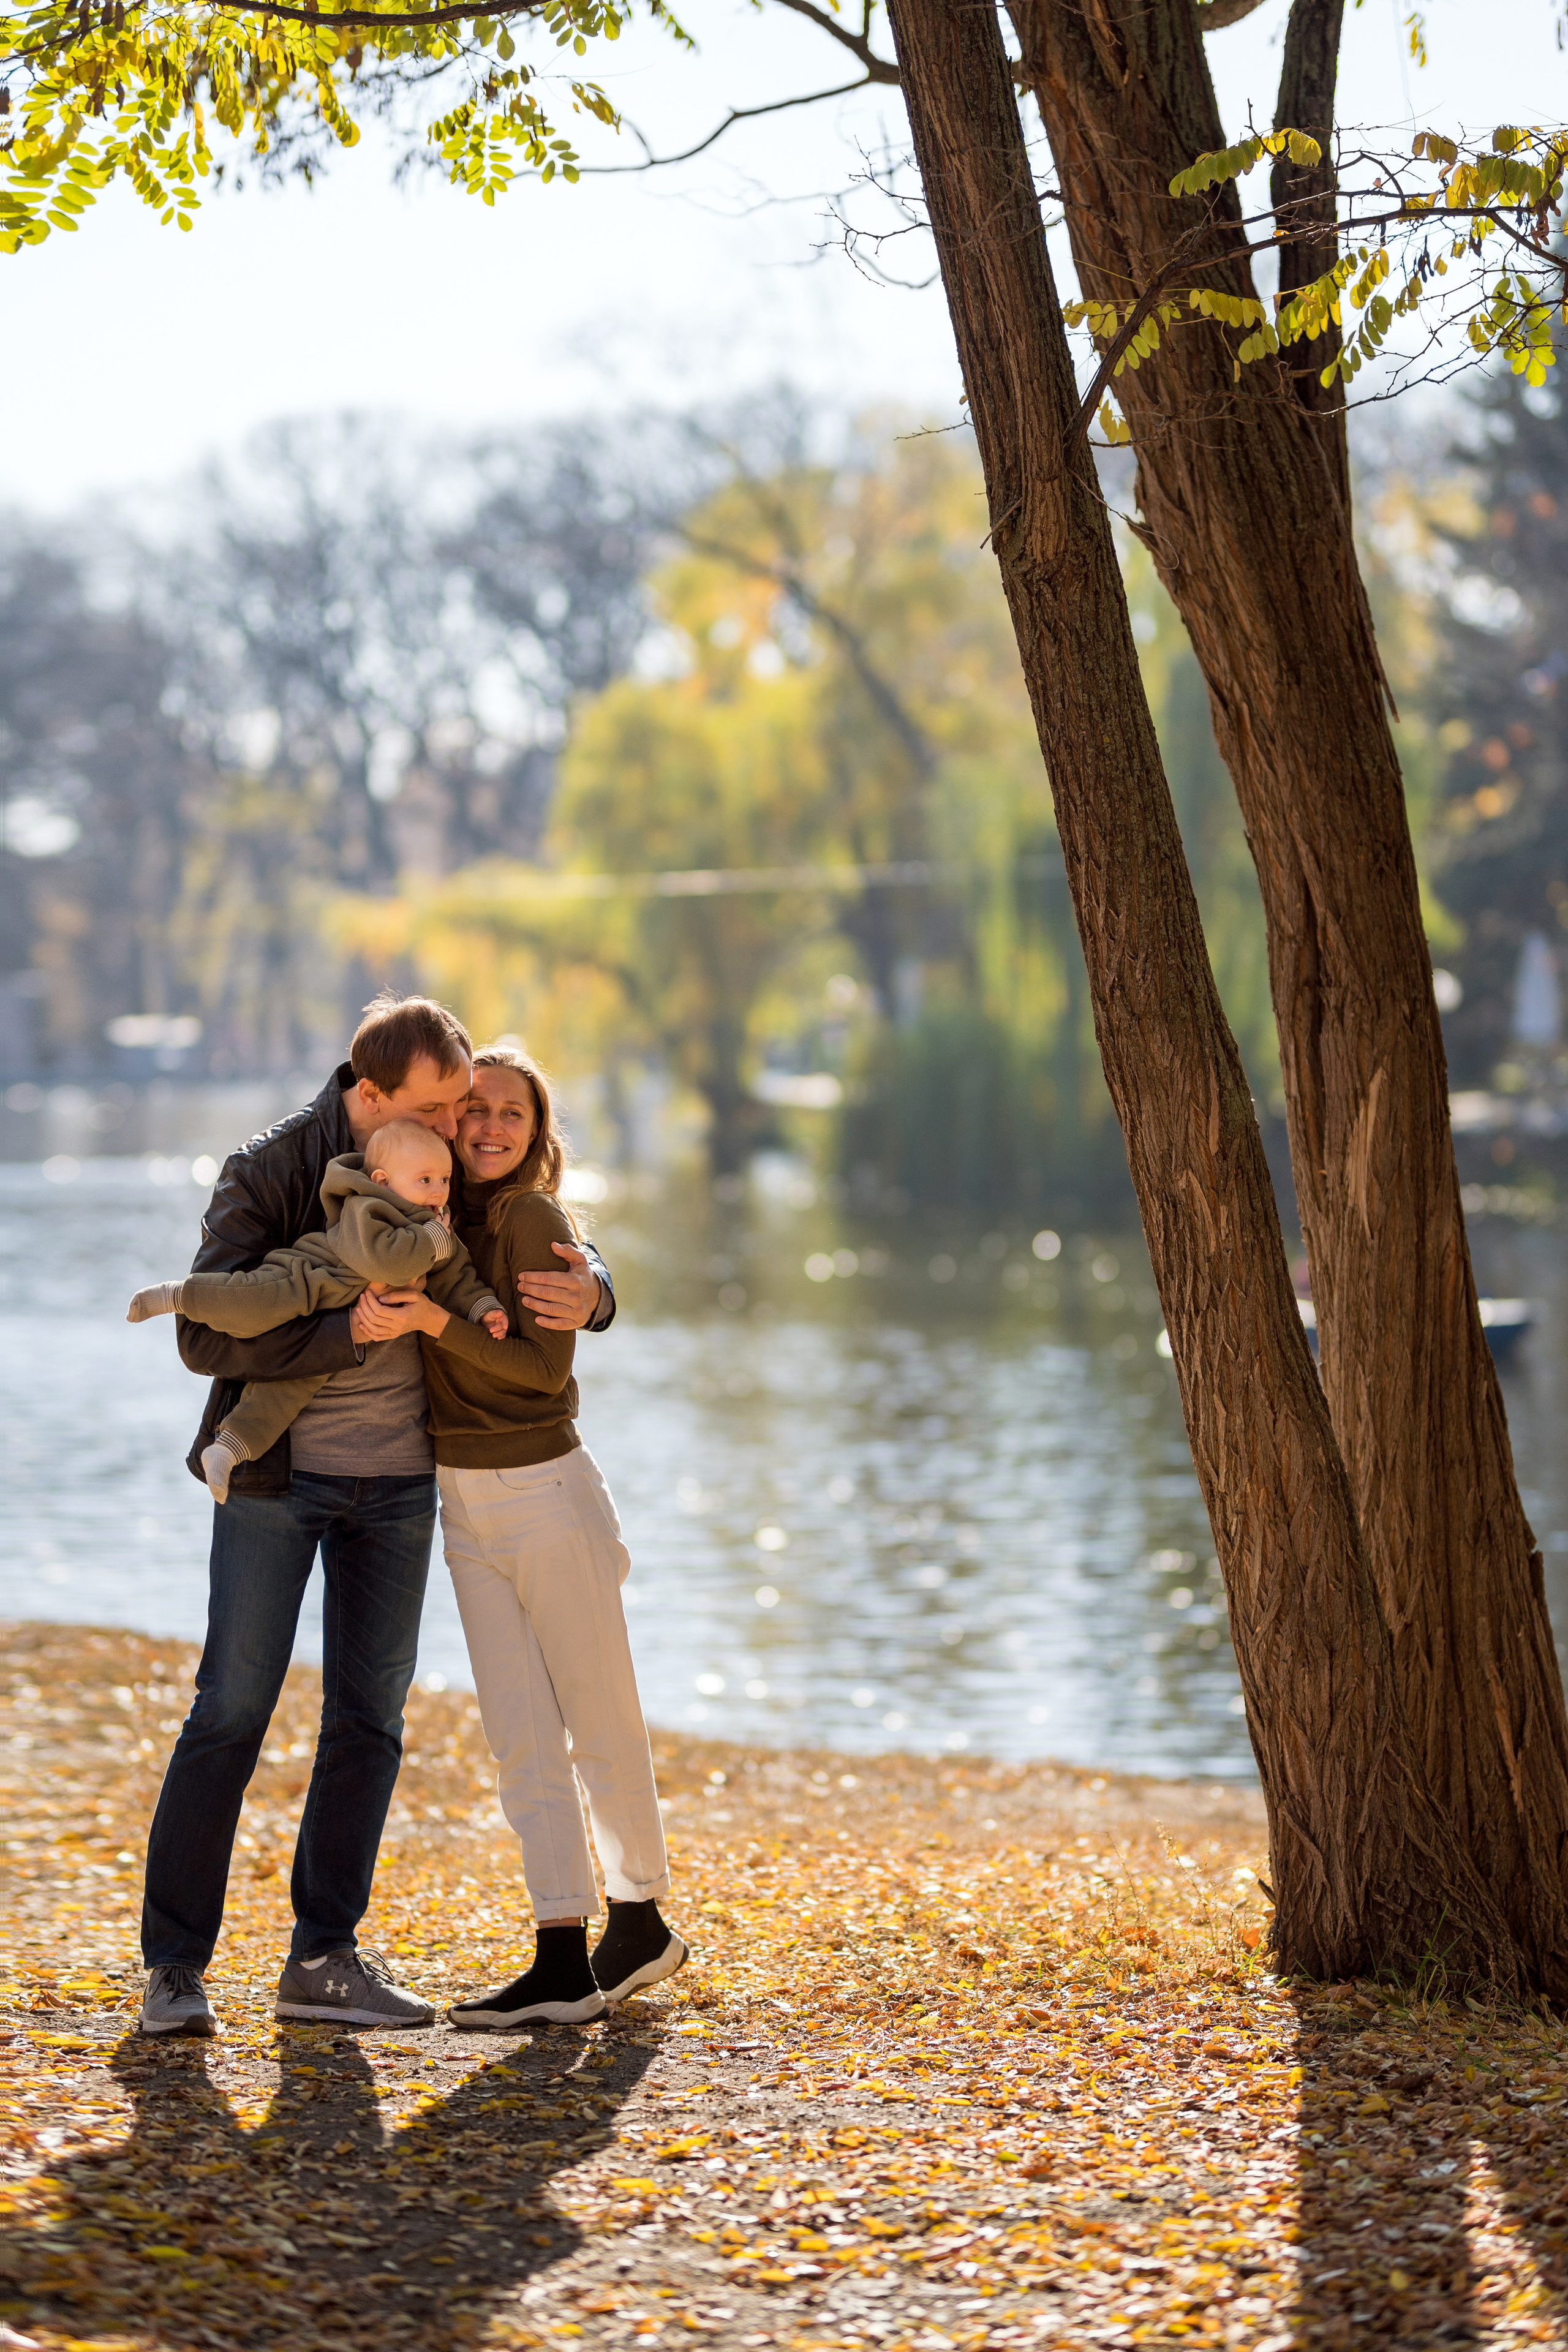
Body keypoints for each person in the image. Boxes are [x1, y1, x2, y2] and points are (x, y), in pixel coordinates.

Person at [137, 993, 616, 2040]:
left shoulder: (443, 1173)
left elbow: (533, 1223)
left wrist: (602, 1289)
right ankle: (174, 1968)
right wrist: (342, 1329)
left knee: (369, 1721)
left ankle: (323, 1959)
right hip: (278, 1479)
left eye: (461, 1108)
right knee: (231, 1709)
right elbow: (207, 1339)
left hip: (400, 1485)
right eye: (440, 1104)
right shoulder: (268, 1169)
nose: (458, 1124)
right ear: (368, 1096)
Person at [389, 1043, 685, 2027]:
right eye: (475, 1108)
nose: (489, 1127)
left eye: (512, 1113)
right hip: (466, 1502)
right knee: (521, 1737)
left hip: (547, 1491)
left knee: (598, 1718)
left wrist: (434, 1321)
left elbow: (542, 1376)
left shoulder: (532, 1216)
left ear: (537, 1132)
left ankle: (639, 1917)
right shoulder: (439, 1218)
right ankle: (561, 1951)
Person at [127, 1122, 508, 1504]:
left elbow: (458, 1278)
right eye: (425, 1179)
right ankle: (178, 1295)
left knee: (286, 1391)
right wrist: (431, 1242)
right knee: (250, 1305)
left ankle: (227, 1449)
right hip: (306, 1280)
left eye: (444, 1179)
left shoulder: (435, 1229)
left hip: (333, 1323)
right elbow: (382, 1261)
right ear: (383, 1181)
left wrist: (483, 1308)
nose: (438, 1191)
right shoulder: (367, 1206)